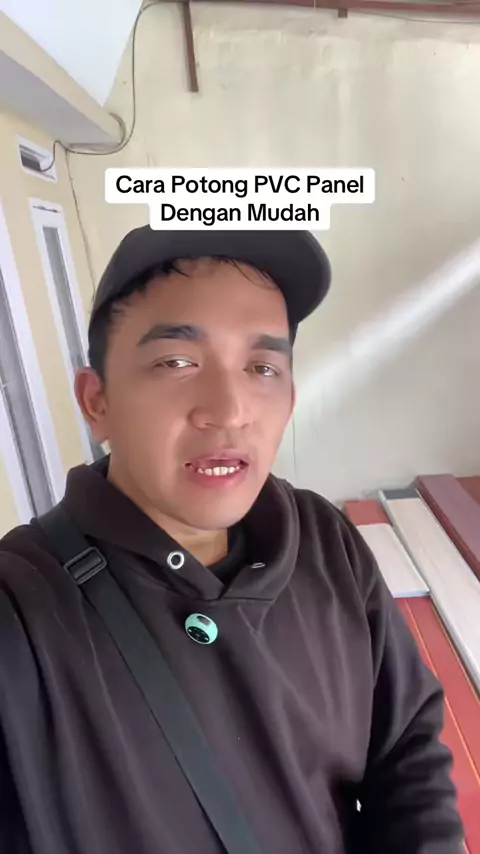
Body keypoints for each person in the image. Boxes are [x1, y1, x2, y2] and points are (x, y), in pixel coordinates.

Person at [0, 228, 463, 854]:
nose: (228, 409)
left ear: (289, 400)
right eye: (176, 362)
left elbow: (407, 749)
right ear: (98, 400)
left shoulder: (324, 541)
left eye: (261, 367)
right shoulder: (22, 612)